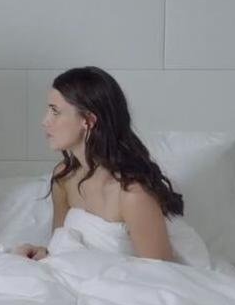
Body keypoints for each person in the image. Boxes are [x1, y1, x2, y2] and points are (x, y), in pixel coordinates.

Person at [14, 66, 183, 262]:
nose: (45, 121)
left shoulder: (132, 195)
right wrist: (43, 253)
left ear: (88, 121)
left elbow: (163, 272)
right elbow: (59, 247)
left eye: (55, 111)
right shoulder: (64, 177)